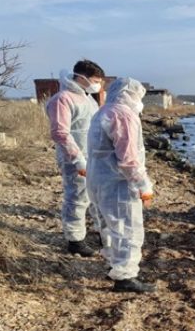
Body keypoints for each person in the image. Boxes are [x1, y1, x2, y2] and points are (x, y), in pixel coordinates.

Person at [87, 77, 155, 293]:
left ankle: (113, 265)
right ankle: (125, 276)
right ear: (130, 94)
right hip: (118, 182)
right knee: (128, 229)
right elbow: (128, 158)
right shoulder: (124, 115)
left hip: (98, 178)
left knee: (109, 226)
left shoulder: (102, 112)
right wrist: (143, 185)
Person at [46, 60, 105, 257]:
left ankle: (100, 232)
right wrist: (78, 159)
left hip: (94, 155)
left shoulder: (88, 98)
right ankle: (75, 239)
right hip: (75, 157)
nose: (98, 85)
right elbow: (60, 133)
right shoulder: (62, 99)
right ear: (81, 77)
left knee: (95, 196)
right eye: (96, 80)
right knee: (77, 196)